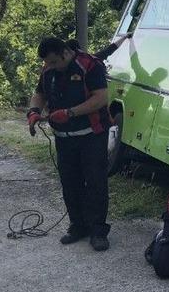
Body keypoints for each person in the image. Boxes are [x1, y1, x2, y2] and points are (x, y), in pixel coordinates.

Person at [26, 37, 113, 251]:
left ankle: (98, 231)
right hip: (64, 138)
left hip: (92, 135)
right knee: (70, 183)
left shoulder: (90, 65)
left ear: (65, 53)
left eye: (54, 62)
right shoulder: (48, 70)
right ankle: (78, 226)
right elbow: (39, 94)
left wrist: (70, 113)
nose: (50, 66)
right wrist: (34, 111)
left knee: (95, 183)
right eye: (47, 63)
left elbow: (101, 98)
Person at [66, 33, 131, 62]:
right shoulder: (91, 60)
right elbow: (110, 49)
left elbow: (110, 48)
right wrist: (125, 37)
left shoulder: (65, 69)